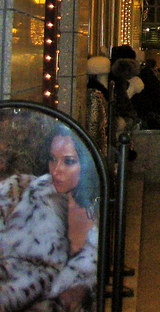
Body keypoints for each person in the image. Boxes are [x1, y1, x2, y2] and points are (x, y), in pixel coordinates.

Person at [0, 128, 100, 312]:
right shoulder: (27, 191)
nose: (56, 170)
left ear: (86, 165)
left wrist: (81, 289)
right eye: (52, 159)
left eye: (68, 161)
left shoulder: (97, 212)